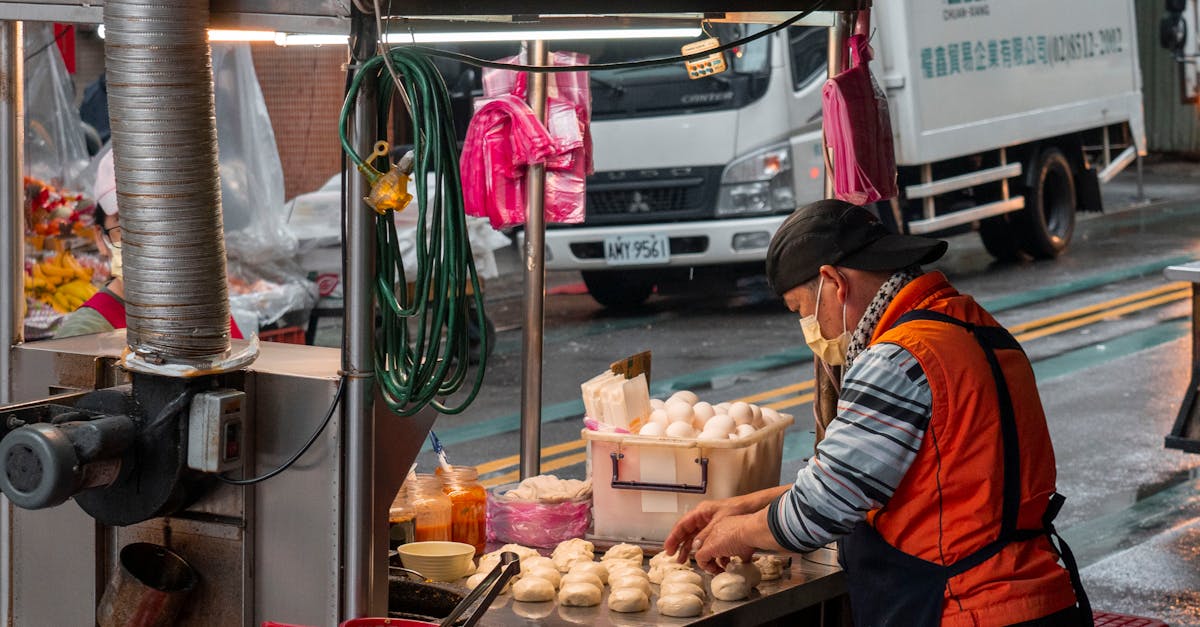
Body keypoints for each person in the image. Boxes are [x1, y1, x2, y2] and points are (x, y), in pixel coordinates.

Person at [664, 199, 1089, 626]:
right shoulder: (971, 326)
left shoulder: (899, 358)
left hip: (966, 607)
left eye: (801, 310)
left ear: (833, 282)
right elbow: (870, 480)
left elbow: (820, 510)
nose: (810, 329)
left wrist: (739, 532)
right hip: (1038, 598)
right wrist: (745, 506)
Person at [55, 150, 244, 340]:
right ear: (100, 239)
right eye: (126, 224)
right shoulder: (86, 334)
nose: (147, 240)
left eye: (162, 220)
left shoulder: (206, 310)